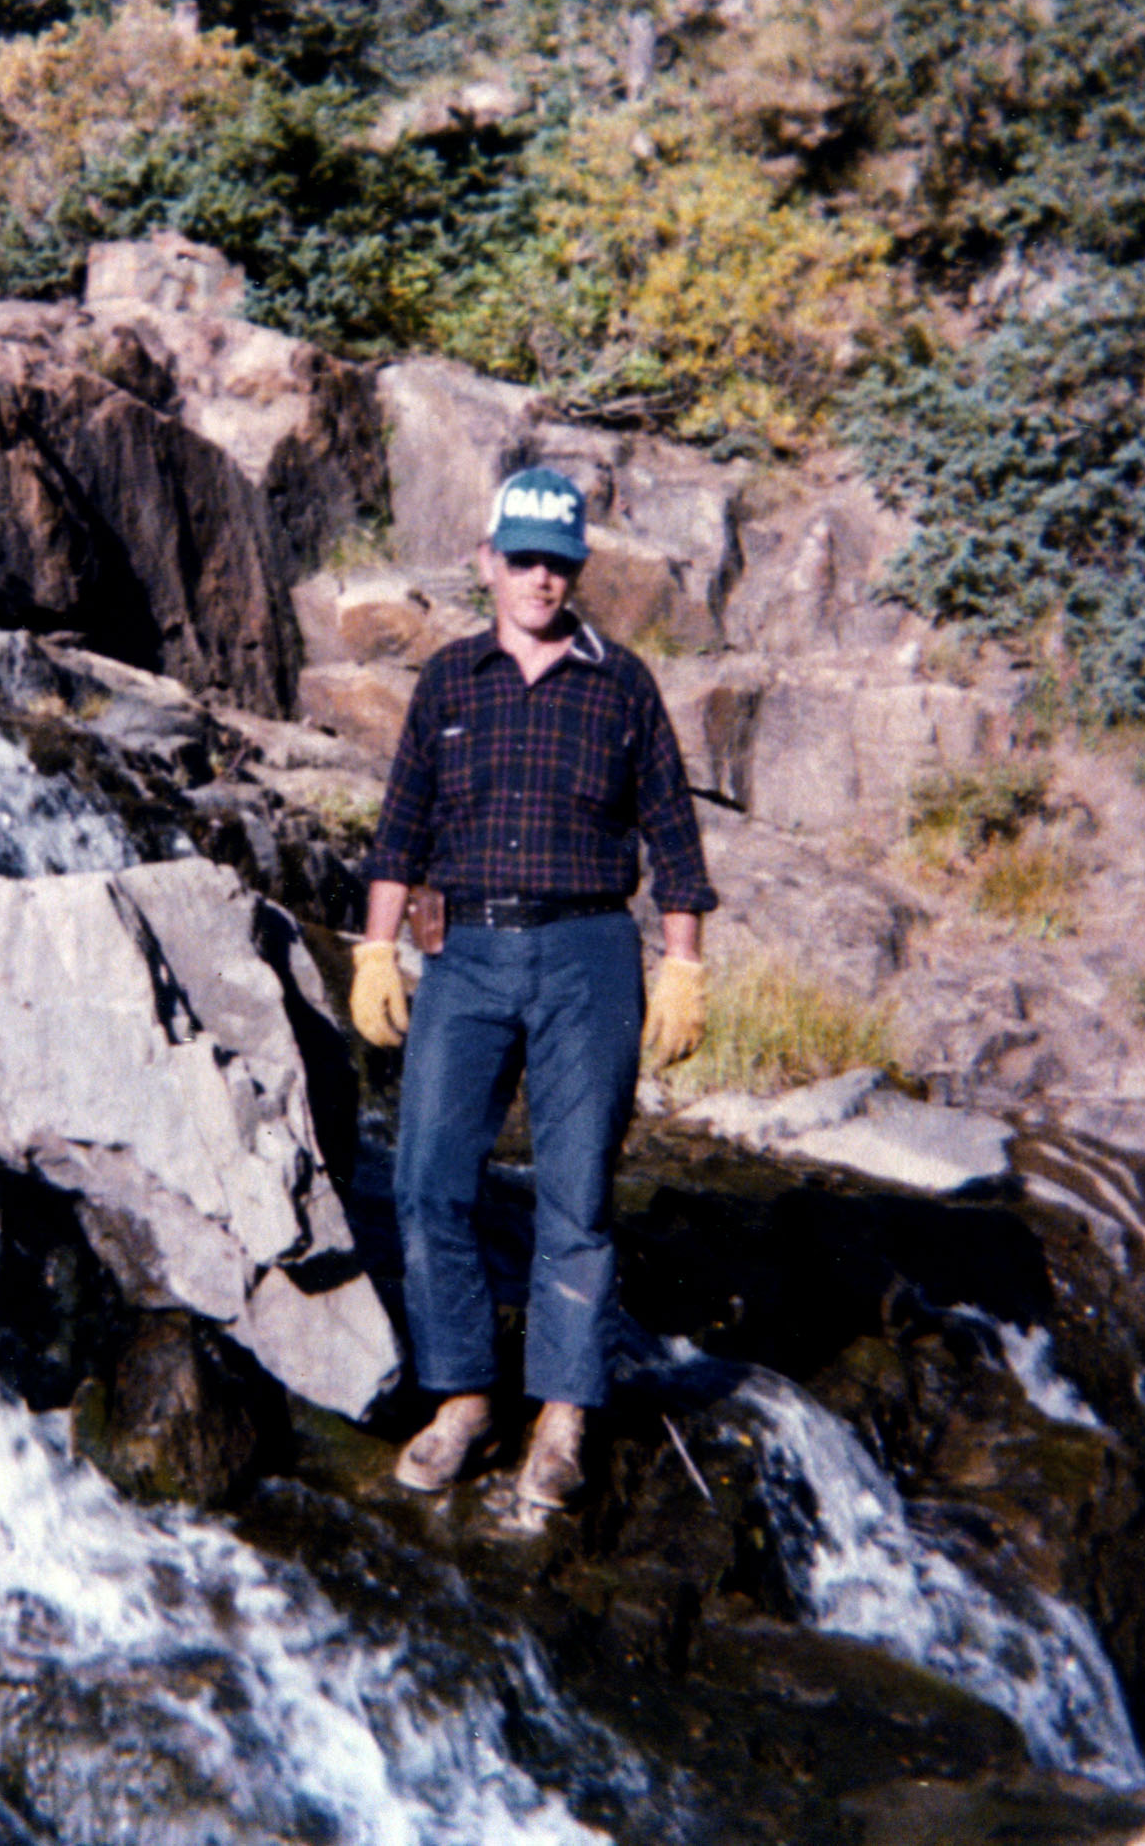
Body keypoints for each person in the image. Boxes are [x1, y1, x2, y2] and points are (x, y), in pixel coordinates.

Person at [347, 465, 715, 1511]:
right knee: (427, 1178)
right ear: (486, 562)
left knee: (576, 1192)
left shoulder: (622, 684)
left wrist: (682, 963)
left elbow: (674, 839)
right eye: (521, 560)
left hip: (587, 956)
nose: (539, 579)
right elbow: (399, 830)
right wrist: (376, 950)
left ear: (576, 570)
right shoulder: (448, 682)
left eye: (557, 563)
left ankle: (561, 1418)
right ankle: (462, 1396)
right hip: (463, 954)